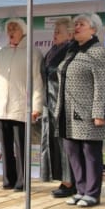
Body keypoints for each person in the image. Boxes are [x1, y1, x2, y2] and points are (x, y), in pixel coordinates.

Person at [55, 13, 105, 207]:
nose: (76, 27)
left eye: (81, 24)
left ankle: (92, 193)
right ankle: (81, 190)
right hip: (68, 113)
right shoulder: (73, 50)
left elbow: (104, 85)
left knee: (90, 153)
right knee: (73, 152)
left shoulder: (98, 52)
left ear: (93, 29)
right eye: (75, 24)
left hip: (89, 113)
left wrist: (100, 113)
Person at [0, 18, 44, 192]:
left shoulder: (33, 53)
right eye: (8, 28)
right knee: (6, 146)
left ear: (23, 31)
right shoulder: (1, 53)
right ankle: (8, 179)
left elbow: (37, 81)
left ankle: (22, 181)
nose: (11, 31)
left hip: (20, 108)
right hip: (1, 108)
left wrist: (36, 107)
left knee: (21, 146)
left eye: (14, 28)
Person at [40, 18, 76, 197]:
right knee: (52, 143)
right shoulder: (52, 51)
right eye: (54, 31)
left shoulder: (71, 50)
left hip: (63, 105)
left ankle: (70, 182)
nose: (54, 35)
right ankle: (62, 179)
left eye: (58, 32)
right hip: (49, 104)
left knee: (64, 144)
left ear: (70, 34)